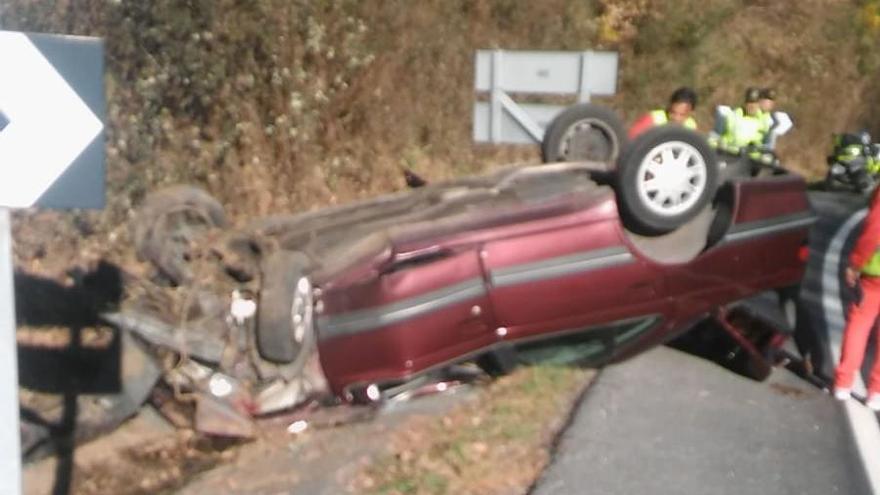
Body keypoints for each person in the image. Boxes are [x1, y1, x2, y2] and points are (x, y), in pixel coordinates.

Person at [834, 186, 880, 410]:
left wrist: (855, 263)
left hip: (875, 274)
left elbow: (874, 230)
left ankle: (843, 384)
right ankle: (877, 392)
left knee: (859, 325)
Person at [708, 87, 771, 156]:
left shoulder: (765, 122)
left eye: (755, 103)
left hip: (752, 161)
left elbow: (767, 147)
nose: (752, 106)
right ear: (745, 103)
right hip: (730, 156)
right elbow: (714, 138)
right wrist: (719, 146)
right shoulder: (731, 116)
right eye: (749, 102)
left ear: (759, 104)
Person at [628, 86, 698, 139]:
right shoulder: (653, 118)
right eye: (673, 112)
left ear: (691, 113)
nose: (676, 118)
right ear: (670, 105)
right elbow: (632, 136)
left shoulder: (691, 127)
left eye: (681, 115)